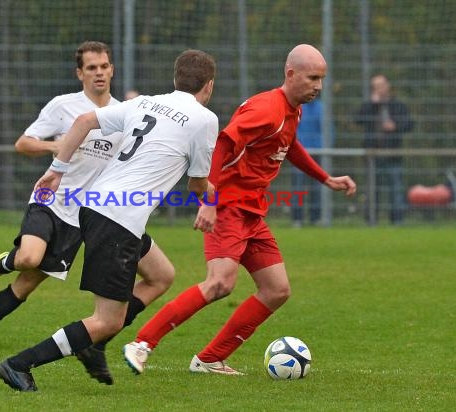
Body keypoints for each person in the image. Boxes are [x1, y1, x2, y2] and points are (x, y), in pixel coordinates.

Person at [123, 44, 357, 376]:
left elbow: (288, 145)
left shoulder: (291, 110)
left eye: (322, 79)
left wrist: (325, 178)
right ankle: (142, 342)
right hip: (228, 206)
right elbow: (223, 143)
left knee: (277, 290)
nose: (318, 85)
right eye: (313, 78)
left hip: (251, 212)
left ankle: (210, 358)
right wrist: (209, 202)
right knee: (219, 283)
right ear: (291, 74)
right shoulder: (266, 109)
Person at [0, 49, 219, 392]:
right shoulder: (204, 119)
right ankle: (18, 364)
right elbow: (197, 184)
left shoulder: (146, 102)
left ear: (175, 79)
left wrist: (57, 170)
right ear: (209, 86)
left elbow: (84, 121)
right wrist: (212, 199)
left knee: (161, 276)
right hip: (118, 219)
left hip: (99, 206)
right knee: (105, 320)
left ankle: (93, 348)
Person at [0, 41, 175, 386]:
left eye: (104, 66)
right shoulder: (63, 106)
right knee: (28, 258)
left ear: (111, 69)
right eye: (91, 68)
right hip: (51, 200)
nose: (99, 72)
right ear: (80, 73)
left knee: (29, 282)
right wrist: (55, 145)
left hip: (86, 216)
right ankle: (2, 263)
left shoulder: (124, 112)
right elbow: (22, 143)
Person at [355, 74, 414, 225]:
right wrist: (373, 105)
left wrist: (395, 127)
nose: (379, 89)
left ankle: (397, 221)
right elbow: (358, 119)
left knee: (395, 189)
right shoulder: (369, 106)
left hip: (393, 154)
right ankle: (371, 221)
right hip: (373, 155)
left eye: (381, 85)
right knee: (372, 190)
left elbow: (409, 124)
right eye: (375, 86)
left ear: (388, 86)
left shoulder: (398, 105)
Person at [291, 99, 323, 227]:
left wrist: (324, 147)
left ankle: (315, 218)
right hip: (300, 153)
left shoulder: (321, 108)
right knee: (298, 187)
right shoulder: (297, 108)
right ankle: (297, 219)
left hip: (318, 153)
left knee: (316, 188)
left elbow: (326, 129)